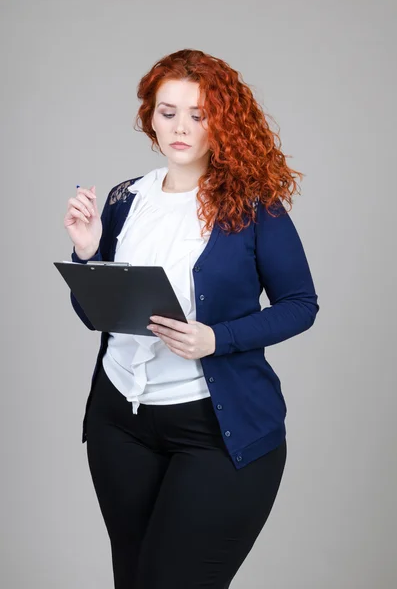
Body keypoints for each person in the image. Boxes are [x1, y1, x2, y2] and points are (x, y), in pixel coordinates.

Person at [63, 48, 319, 589]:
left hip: (214, 432)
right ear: (149, 118)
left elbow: (301, 305)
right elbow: (97, 314)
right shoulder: (125, 200)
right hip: (120, 423)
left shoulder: (253, 207)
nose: (180, 127)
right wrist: (89, 255)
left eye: (198, 114)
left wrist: (216, 338)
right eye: (167, 111)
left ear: (221, 122)